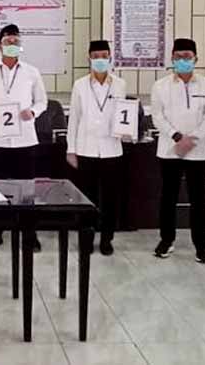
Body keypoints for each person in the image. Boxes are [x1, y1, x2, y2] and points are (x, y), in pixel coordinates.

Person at [0, 24, 48, 252]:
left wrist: (33, 112)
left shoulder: (32, 72)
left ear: (20, 45)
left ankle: (30, 232)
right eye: (8, 41)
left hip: (25, 140)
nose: (12, 45)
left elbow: (42, 101)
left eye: (16, 41)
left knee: (27, 189)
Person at [151, 38, 205, 262]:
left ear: (195, 59)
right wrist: (177, 137)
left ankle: (201, 245)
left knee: (198, 198)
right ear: (172, 58)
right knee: (168, 197)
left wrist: (193, 139)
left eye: (187, 57)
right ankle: (166, 240)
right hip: (170, 149)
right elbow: (157, 116)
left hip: (198, 151)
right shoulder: (160, 86)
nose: (183, 60)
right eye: (178, 57)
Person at [66, 40, 127, 256]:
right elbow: (74, 118)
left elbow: (124, 114)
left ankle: (107, 239)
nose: (100, 60)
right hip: (86, 149)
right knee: (87, 199)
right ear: (89, 58)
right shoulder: (80, 85)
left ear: (110, 57)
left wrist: (127, 131)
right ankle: (86, 237)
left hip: (112, 149)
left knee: (110, 198)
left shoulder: (120, 84)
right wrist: (71, 149)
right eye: (96, 56)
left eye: (104, 56)